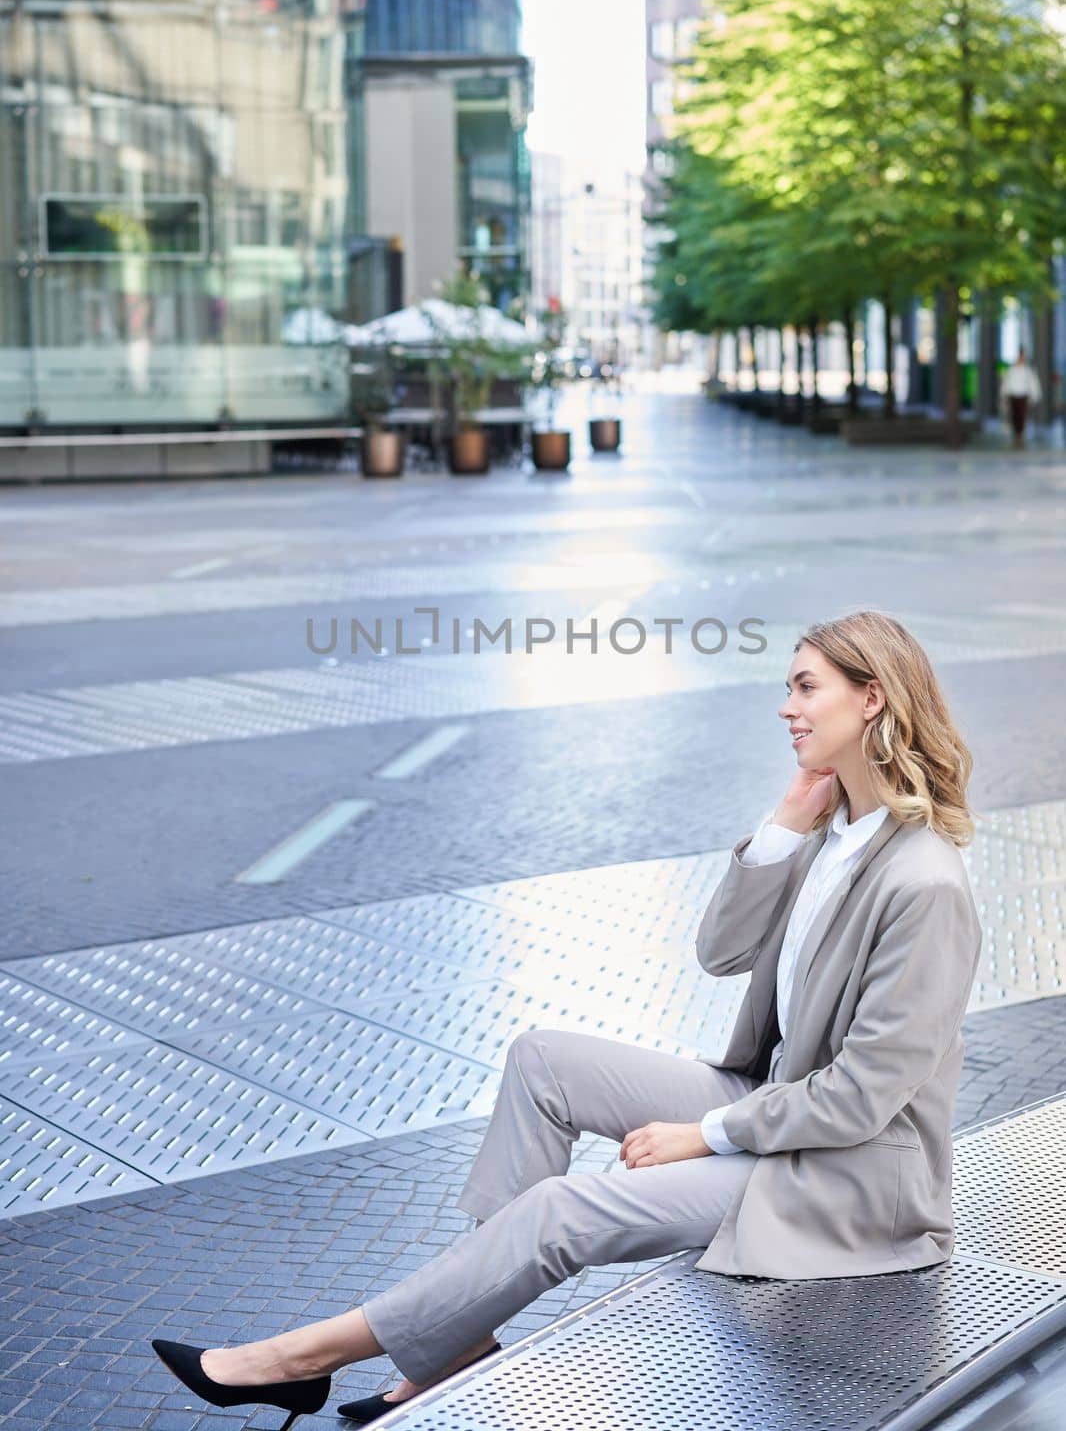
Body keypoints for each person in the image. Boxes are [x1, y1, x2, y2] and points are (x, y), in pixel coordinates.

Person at [151, 609, 983, 1430]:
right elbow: (721, 952)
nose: (786, 706)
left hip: (850, 1174)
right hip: (776, 1102)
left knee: (560, 1210)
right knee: (543, 1059)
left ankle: (298, 1360)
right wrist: (778, 832)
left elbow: (862, 1098)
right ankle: (460, 1340)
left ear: (871, 699)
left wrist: (708, 1132)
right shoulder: (830, 832)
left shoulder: (924, 882)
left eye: (806, 687)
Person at [998, 345, 1042, 449]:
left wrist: (1035, 395)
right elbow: (1006, 382)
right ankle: (1016, 433)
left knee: (1022, 415)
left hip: (1023, 396)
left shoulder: (1028, 370)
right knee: (1014, 414)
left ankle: (1020, 434)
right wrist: (1004, 394)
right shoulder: (1012, 370)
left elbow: (1033, 383)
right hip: (1013, 396)